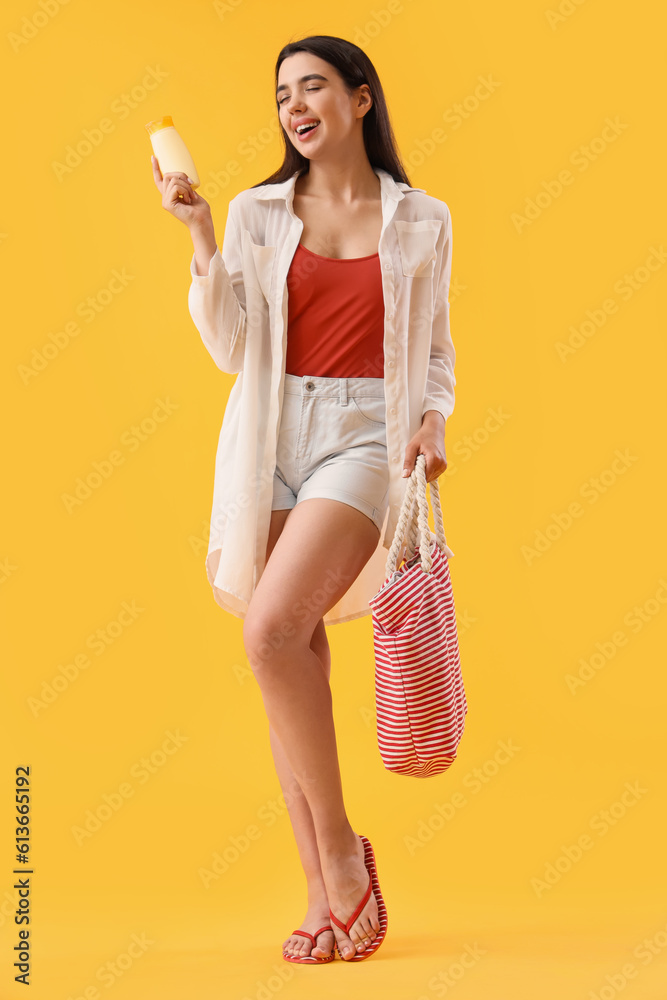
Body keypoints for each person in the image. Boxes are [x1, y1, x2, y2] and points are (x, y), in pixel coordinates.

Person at [151, 34, 456, 964]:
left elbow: (435, 347)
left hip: (364, 435)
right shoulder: (253, 212)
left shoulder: (421, 219)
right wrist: (202, 238)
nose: (293, 104)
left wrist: (432, 424)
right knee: (295, 660)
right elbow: (232, 348)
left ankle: (339, 856)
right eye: (282, 92)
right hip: (269, 436)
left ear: (360, 99)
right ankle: (324, 892)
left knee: (271, 629)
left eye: (313, 85)